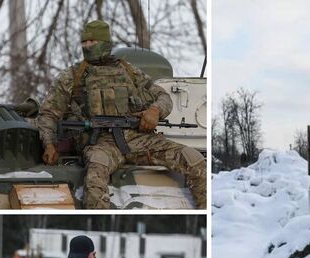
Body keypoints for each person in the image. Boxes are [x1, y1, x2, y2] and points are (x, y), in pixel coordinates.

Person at [36, 20, 206, 209]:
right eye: (84, 43)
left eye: (92, 42)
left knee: (193, 158)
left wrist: (154, 111)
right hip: (100, 143)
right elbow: (48, 114)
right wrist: (49, 144)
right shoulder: (71, 76)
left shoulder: (129, 71)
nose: (87, 46)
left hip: (136, 139)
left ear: (105, 42)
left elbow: (164, 97)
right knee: (94, 181)